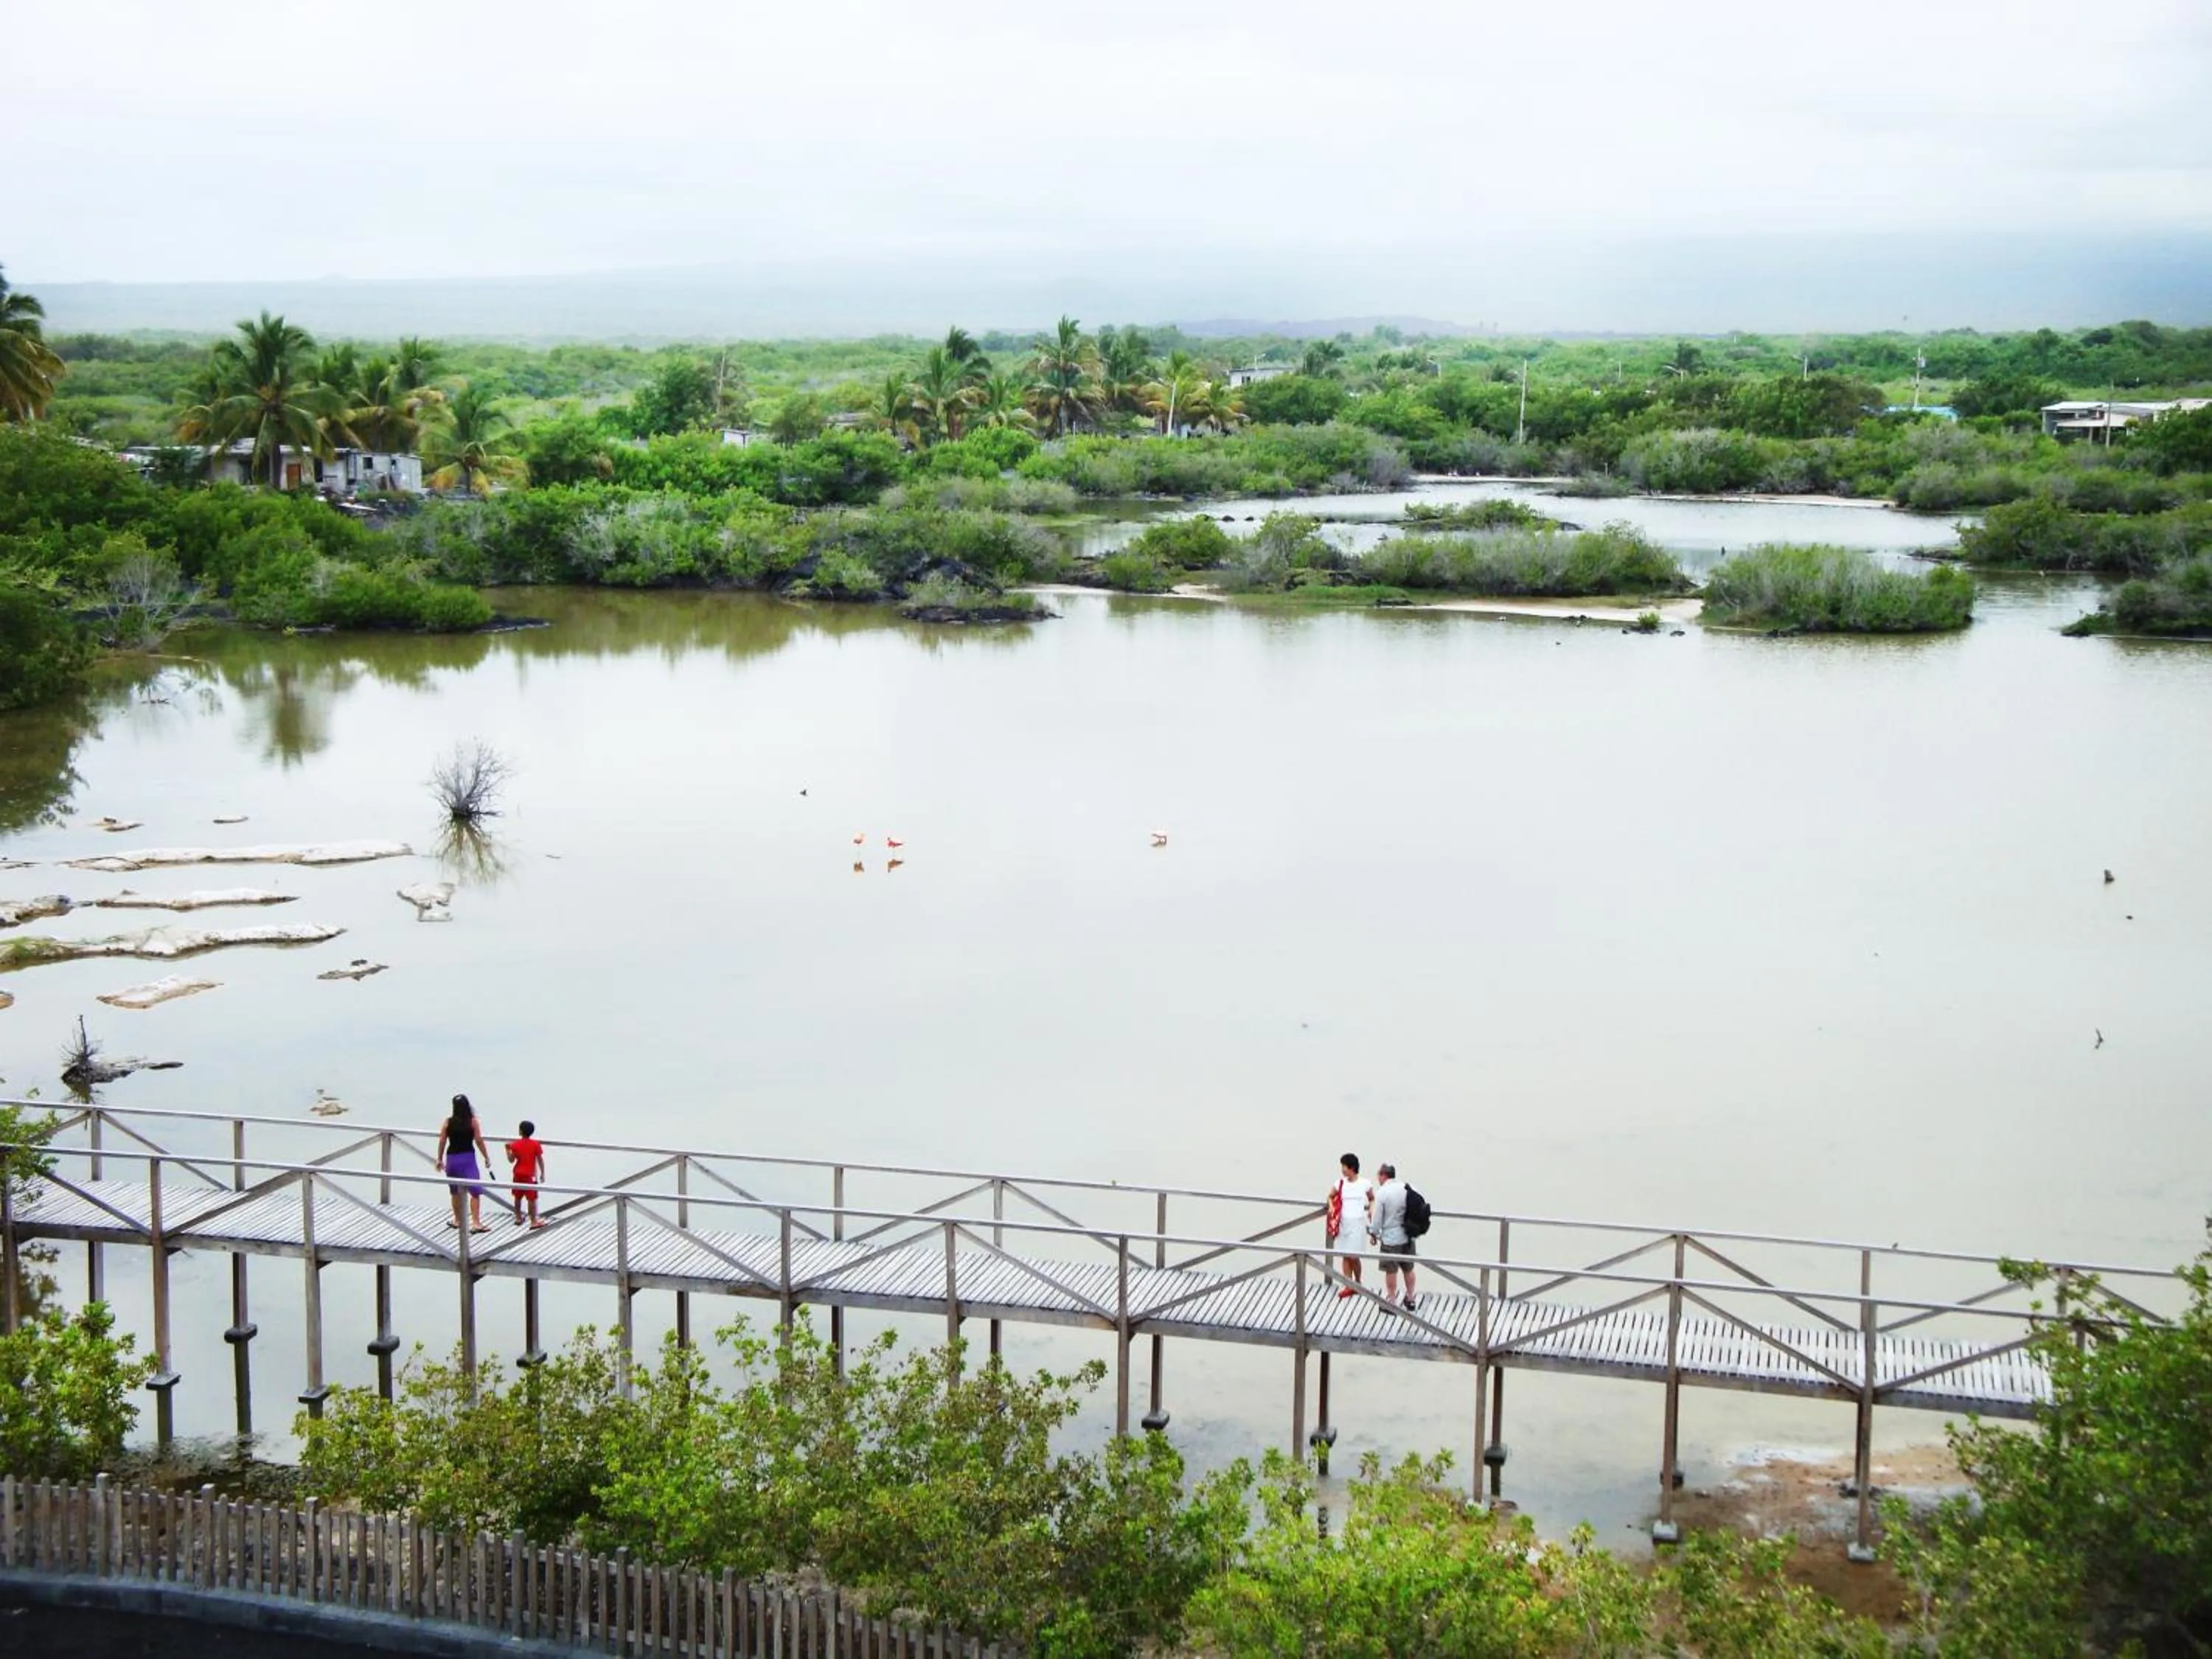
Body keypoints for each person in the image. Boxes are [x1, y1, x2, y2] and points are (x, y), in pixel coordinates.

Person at [439, 1093, 493, 1232]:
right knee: (475, 1191)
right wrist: (486, 1157)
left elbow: (442, 1141)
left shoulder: (448, 1122)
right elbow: (478, 1140)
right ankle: (476, 1223)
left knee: (454, 1191)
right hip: (467, 1159)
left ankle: (458, 1220)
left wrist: (439, 1159)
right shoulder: (472, 1122)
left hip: (452, 1159)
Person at [1370, 1161, 1418, 1312]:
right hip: (1408, 1237)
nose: (1378, 1178)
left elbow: (1377, 1220)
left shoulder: (1383, 1192)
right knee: (1408, 1269)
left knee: (1391, 1271)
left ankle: (1391, 1302)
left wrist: (1373, 1233)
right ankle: (1411, 1298)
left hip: (1391, 1240)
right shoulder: (1408, 1187)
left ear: (1383, 1175)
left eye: (1378, 1175)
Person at [1327, 1152, 1374, 1299]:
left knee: (1354, 1256)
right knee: (1345, 1256)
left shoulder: (1365, 1183)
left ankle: (1358, 1283)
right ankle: (1348, 1284)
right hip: (1344, 1223)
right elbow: (1330, 1196)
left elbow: (1372, 1198)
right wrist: (1331, 1207)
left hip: (1358, 1223)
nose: (1342, 1169)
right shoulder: (1340, 1183)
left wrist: (1371, 1209)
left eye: (1344, 1167)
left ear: (1352, 1168)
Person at [506, 1119, 547, 1229]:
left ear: (521, 1131)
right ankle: (533, 1221)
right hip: (529, 1175)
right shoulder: (535, 1145)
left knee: (517, 1197)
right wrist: (543, 1173)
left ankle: (518, 1217)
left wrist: (507, 1150)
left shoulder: (515, 1145)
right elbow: (540, 1160)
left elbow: (511, 1160)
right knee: (531, 1198)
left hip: (518, 1173)